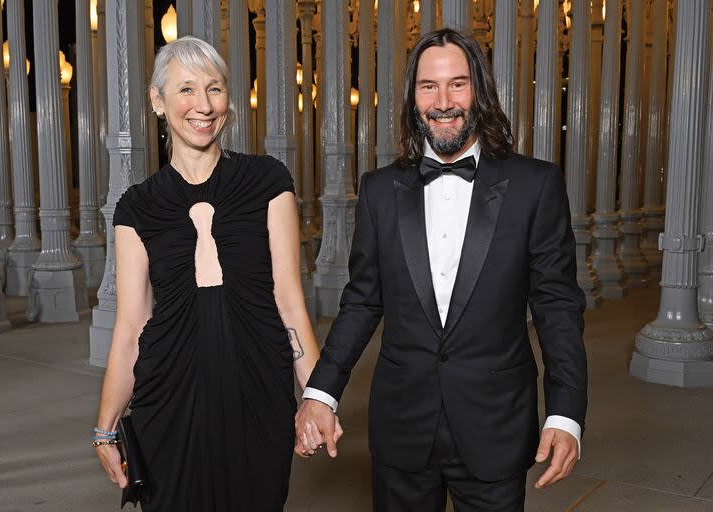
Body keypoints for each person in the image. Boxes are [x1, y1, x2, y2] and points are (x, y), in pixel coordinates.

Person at [295, 28, 587, 511]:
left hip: (496, 425)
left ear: (481, 93)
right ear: (412, 98)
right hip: (402, 429)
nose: (443, 101)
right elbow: (363, 300)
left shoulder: (535, 186)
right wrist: (321, 393)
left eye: (458, 83)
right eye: (429, 86)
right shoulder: (378, 190)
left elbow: (557, 306)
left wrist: (566, 414)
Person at [93, 36, 337, 512]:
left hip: (257, 390)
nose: (203, 105)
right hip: (168, 396)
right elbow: (131, 328)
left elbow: (289, 301)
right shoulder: (136, 208)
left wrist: (319, 397)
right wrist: (105, 428)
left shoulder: (268, 181)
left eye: (215, 88)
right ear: (157, 101)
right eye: (185, 89)